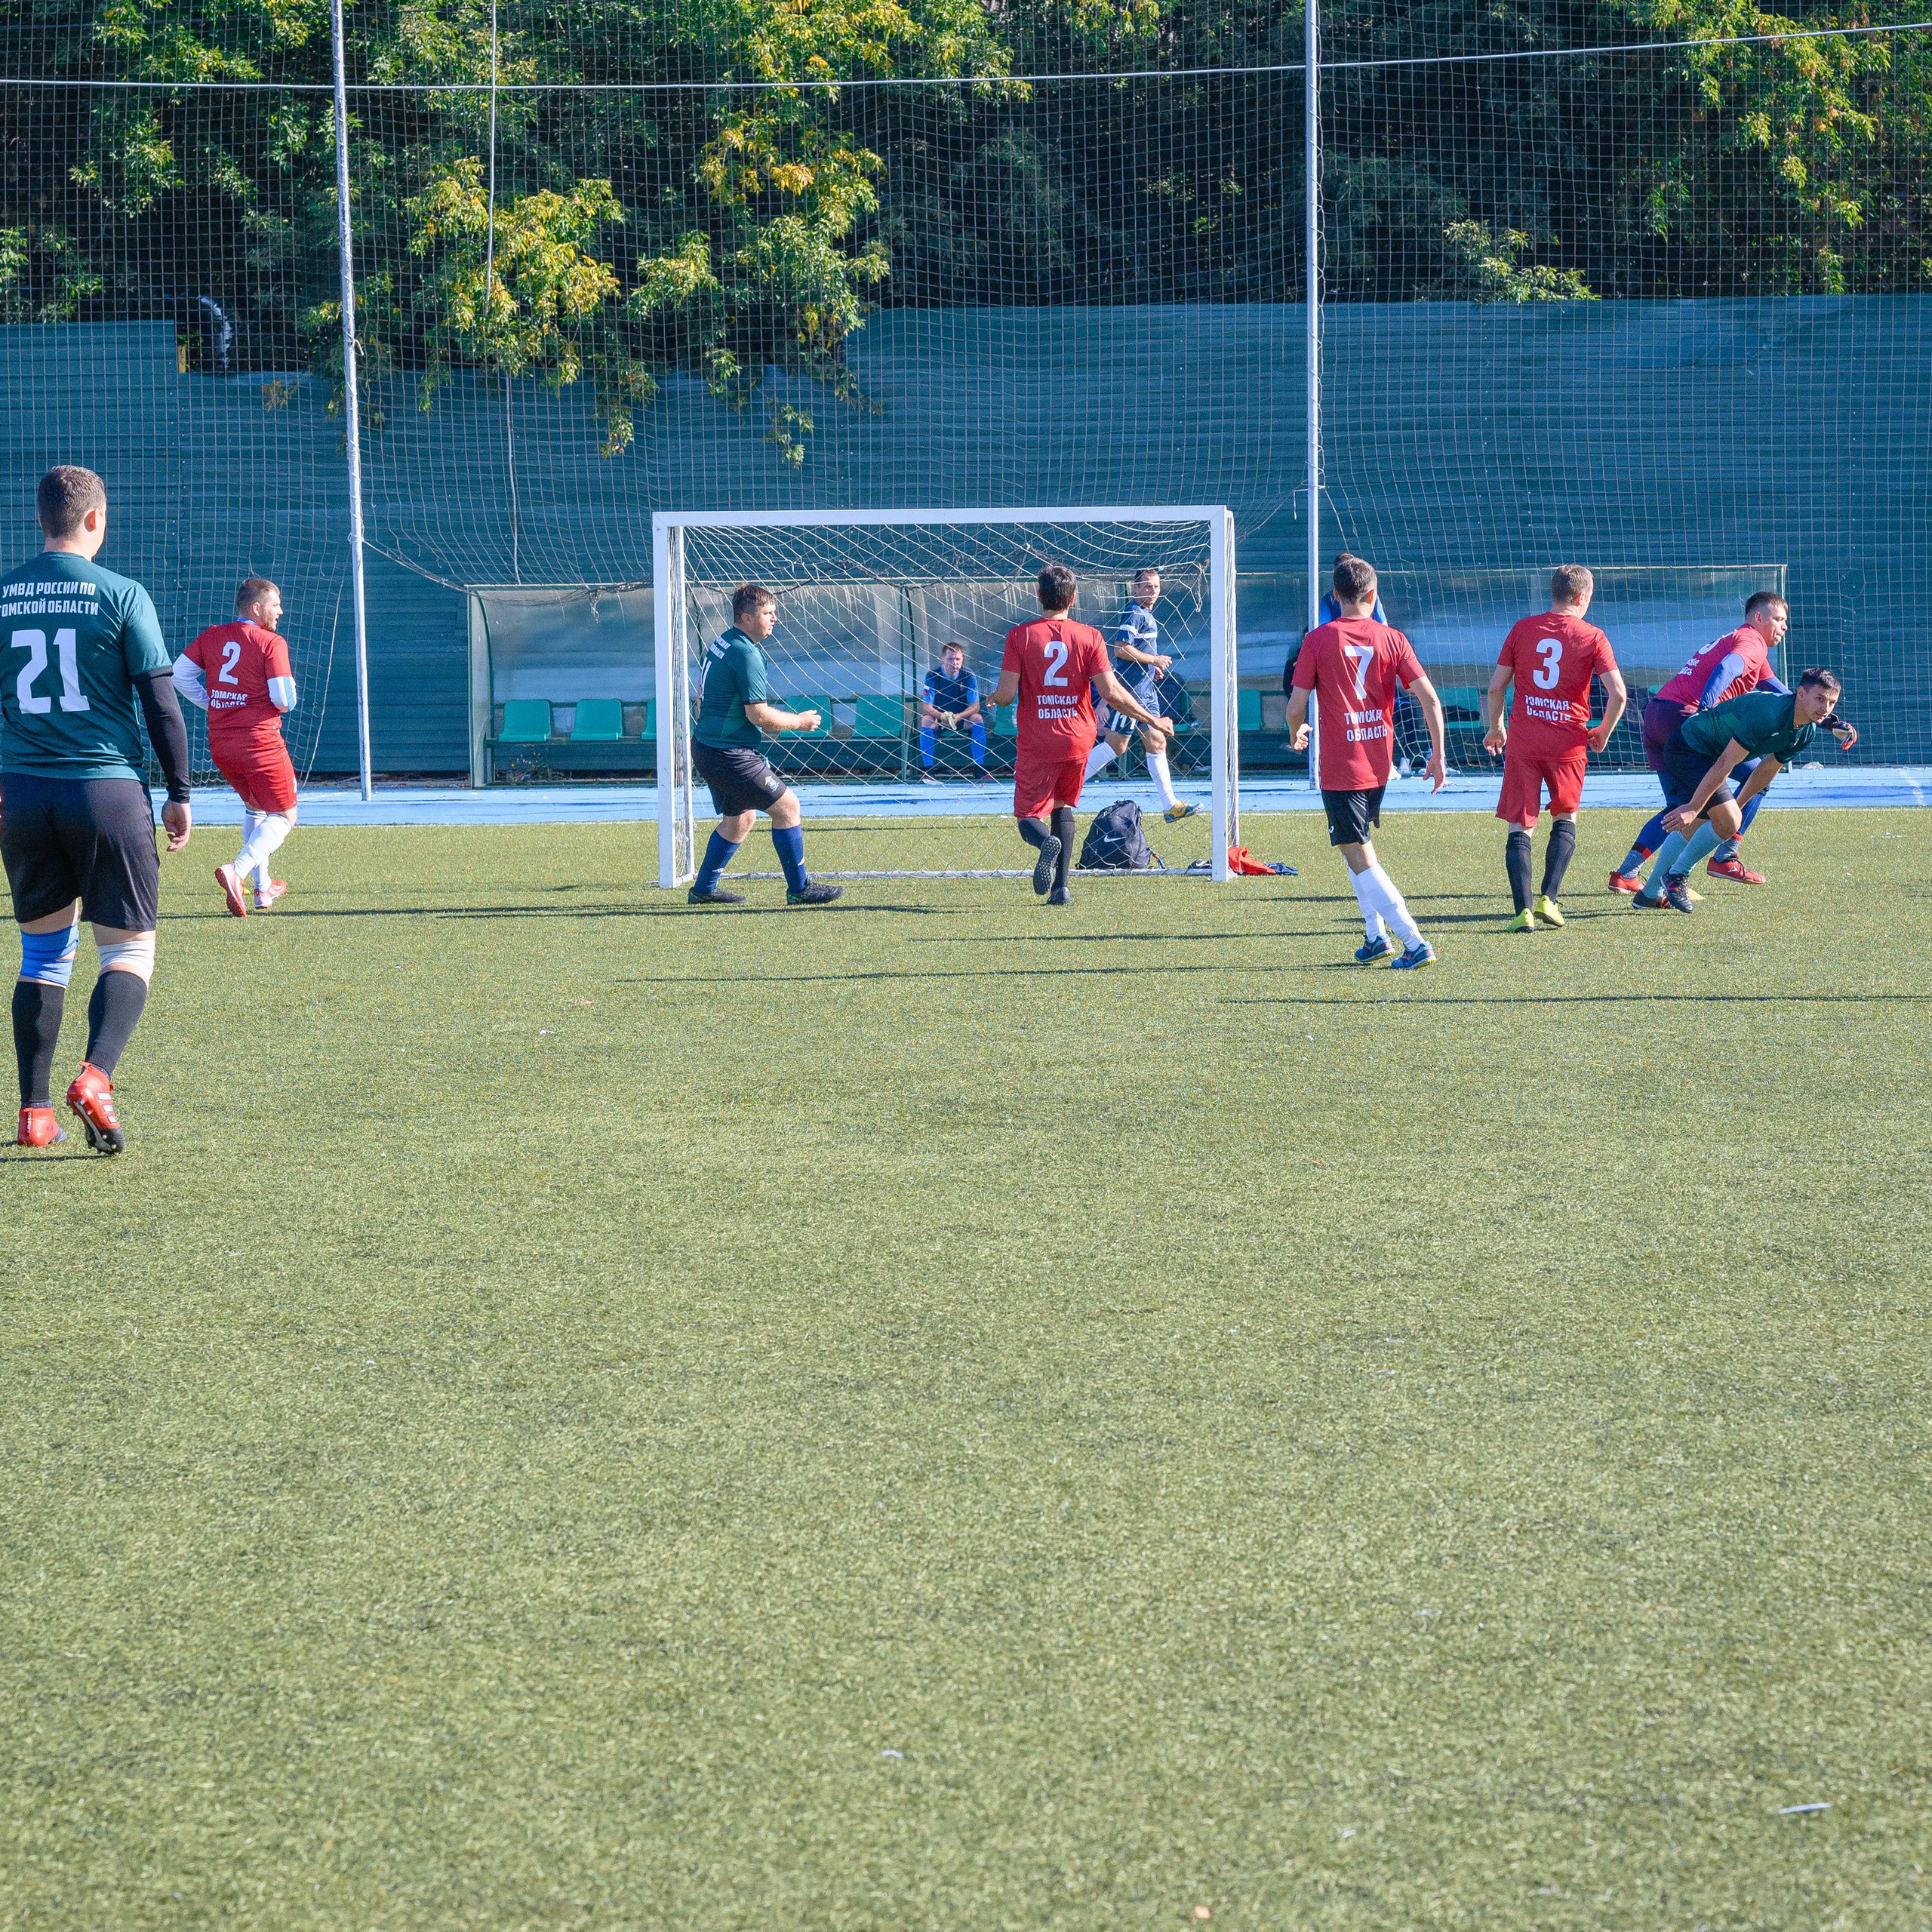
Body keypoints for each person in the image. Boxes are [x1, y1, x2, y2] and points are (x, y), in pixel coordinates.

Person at [1, 465, 192, 1152]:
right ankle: (96, 1076)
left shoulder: (5, 594)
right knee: (130, 949)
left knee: (43, 954)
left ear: (40, 520)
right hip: (105, 790)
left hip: (23, 794)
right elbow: (161, 704)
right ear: (93, 520)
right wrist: (179, 793)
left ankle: (34, 1113)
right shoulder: (122, 593)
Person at [1287, 554, 1446, 969]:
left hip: (1342, 766)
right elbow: (1430, 699)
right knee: (1354, 846)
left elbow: (1295, 705)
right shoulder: (1393, 638)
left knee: (1358, 851)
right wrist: (1438, 754)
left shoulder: (1318, 640)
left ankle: (1414, 941)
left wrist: (1296, 730)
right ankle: (1375, 937)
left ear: (1335, 595)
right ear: (1373, 595)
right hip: (1379, 762)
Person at [991, 561, 1161, 906]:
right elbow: (1112, 692)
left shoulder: (1021, 636)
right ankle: (1062, 889)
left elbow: (1006, 696)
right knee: (1063, 807)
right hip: (1078, 738)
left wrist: (994, 696)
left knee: (1028, 816)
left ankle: (1046, 844)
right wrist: (1151, 719)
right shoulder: (1090, 636)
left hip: (1039, 738)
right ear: (1072, 599)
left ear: (1040, 596)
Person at [1611, 592, 1801, 894]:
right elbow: (1727, 668)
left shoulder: (1744, 643)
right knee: (1757, 776)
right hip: (1684, 719)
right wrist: (1705, 708)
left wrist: (1826, 718)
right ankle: (1726, 857)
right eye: (1779, 619)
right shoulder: (1752, 641)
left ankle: (1626, 873)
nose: (1784, 626)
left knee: (1679, 806)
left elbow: (1788, 697)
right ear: (1758, 618)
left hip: (1657, 714)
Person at [1483, 565, 1626, 932]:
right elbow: (1619, 694)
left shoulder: (1522, 629)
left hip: (1524, 741)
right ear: (1582, 597)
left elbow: (1496, 687)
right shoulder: (1593, 636)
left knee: (1520, 824)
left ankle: (1523, 912)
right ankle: (1550, 898)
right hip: (1568, 744)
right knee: (1566, 816)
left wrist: (1496, 728)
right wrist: (1604, 731)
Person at [1629, 669, 1841, 912]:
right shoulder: (1769, 713)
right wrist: (1694, 807)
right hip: (1689, 748)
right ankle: (1677, 875)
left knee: (1707, 823)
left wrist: (1737, 804)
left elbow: (1766, 769)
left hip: (1712, 755)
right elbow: (1724, 763)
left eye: (1832, 702)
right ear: (1801, 693)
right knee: (1726, 821)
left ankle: (1648, 895)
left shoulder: (1806, 732)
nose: (1826, 708)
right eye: (1820, 699)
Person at [685, 583, 842, 908]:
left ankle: (703, 890)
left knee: (739, 820)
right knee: (788, 808)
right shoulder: (746, 653)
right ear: (746, 617)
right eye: (768, 613)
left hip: (709, 746)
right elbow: (757, 715)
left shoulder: (723, 642)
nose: (774, 619)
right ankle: (800, 889)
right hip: (728, 753)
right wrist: (799, 721)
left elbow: (703, 694)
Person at [174, 576, 298, 915]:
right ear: (257, 608)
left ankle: (263, 888)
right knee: (285, 815)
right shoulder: (272, 643)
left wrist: (213, 703)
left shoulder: (213, 635)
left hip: (222, 744)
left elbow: (179, 675)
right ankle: (237, 870)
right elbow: (284, 700)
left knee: (256, 808)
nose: (281, 612)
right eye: (275, 605)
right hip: (260, 743)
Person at [1082, 567, 1198, 823]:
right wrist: (1153, 659)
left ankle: (1170, 806)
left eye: (1156, 587)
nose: (1153, 591)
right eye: (1147, 586)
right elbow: (1121, 649)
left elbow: (1136, 652)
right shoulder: (1134, 612)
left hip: (1146, 690)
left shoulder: (1145, 613)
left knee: (1157, 741)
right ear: (1135, 588)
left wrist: (1150, 668)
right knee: (1116, 746)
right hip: (1132, 693)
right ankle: (1069, 787)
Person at [918, 641, 986, 782]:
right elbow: (927, 707)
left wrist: (958, 717)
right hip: (940, 720)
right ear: (942, 659)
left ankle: (979, 769)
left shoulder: (969, 675)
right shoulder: (932, 675)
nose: (954, 663)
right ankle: (928, 770)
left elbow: (975, 706)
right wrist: (943, 716)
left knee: (977, 718)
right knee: (926, 720)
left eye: (958, 659)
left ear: (962, 660)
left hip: (961, 719)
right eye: (950, 659)